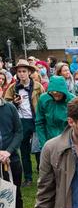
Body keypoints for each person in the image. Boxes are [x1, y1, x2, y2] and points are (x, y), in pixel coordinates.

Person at [4, 59, 44, 190]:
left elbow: (43, 101)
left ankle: (41, 173)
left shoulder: (38, 86)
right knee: (24, 150)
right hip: (21, 121)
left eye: (24, 71)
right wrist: (15, 103)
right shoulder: (12, 87)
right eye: (19, 71)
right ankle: (27, 177)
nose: (21, 74)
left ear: (29, 72)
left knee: (39, 149)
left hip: (35, 119)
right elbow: (6, 103)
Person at [0, 80, 23, 208]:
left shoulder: (10, 108)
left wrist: (8, 151)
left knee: (15, 193)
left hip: (11, 158)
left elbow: (18, 131)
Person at [35, 75, 75, 148]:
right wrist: (43, 143)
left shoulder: (72, 100)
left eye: (58, 93)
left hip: (68, 140)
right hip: (49, 139)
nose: (55, 95)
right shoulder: (44, 99)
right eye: (53, 93)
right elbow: (39, 122)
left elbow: (76, 123)